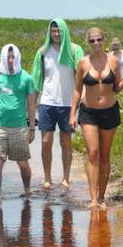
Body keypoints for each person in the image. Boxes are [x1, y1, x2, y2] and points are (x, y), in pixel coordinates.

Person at [69, 27, 123, 209]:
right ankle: (93, 198)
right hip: (88, 112)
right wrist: (72, 113)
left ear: (104, 40)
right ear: (88, 43)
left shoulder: (114, 61)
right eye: (92, 41)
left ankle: (102, 197)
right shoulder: (82, 63)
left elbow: (116, 87)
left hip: (110, 111)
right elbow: (78, 89)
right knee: (93, 153)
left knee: (104, 155)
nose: (96, 43)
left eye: (99, 39)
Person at [31, 18, 84, 191]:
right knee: (46, 141)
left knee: (66, 142)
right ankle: (47, 179)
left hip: (68, 104)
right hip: (47, 103)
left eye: (58, 30)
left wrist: (81, 100)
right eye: (53, 31)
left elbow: (82, 76)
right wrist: (32, 104)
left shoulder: (75, 50)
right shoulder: (43, 51)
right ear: (49, 32)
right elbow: (37, 79)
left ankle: (66, 178)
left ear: (64, 31)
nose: (56, 34)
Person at [0, 44, 36, 204]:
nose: (10, 60)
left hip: (19, 128)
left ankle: (27, 190)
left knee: (23, 164)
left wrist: (32, 129)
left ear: (17, 58)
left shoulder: (27, 78)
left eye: (13, 57)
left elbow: (31, 106)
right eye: (7, 57)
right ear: (3, 58)